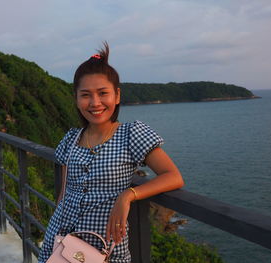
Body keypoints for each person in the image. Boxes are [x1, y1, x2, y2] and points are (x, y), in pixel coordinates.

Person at [38, 43, 184, 263]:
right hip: (60, 241)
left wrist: (128, 196)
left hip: (104, 248)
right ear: (76, 99)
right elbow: (65, 191)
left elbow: (173, 176)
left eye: (103, 93)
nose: (95, 103)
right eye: (86, 95)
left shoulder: (131, 134)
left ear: (116, 96)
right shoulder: (71, 138)